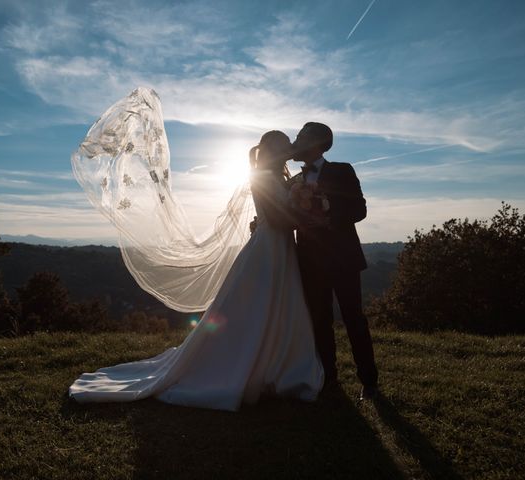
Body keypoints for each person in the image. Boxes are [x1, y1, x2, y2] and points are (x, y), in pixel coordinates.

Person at [69, 131, 324, 411]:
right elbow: (276, 218)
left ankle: (275, 368)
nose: (290, 149)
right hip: (268, 249)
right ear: (275, 149)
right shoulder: (262, 177)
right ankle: (244, 367)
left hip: (280, 249)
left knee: (279, 306)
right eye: (286, 145)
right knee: (256, 308)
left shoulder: (281, 179)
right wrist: (304, 214)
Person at [291, 122, 379, 400]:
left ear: (316, 142)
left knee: (354, 318)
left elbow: (359, 209)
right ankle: (329, 378)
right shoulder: (293, 181)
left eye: (300, 137)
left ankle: (369, 382)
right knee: (319, 320)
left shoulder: (342, 170)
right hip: (310, 260)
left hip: (343, 258)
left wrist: (328, 215)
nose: (295, 141)